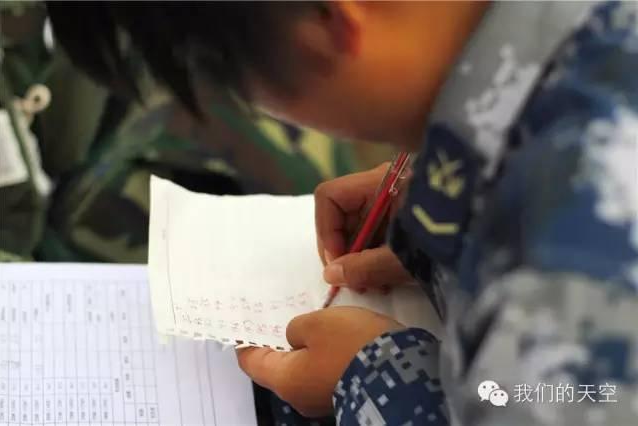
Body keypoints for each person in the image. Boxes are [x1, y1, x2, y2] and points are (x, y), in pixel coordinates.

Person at [47, 1, 638, 424]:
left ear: (329, 22)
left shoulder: (564, 257)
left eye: (235, 78)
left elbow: (579, 396)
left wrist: (378, 376)